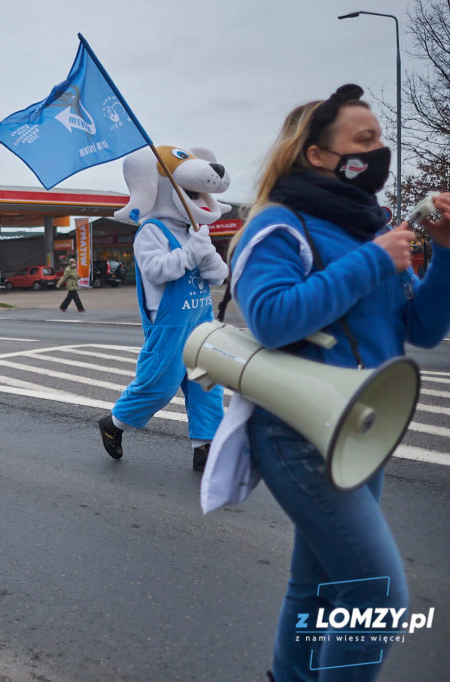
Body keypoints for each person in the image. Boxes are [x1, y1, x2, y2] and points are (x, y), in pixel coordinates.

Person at [227, 84, 450, 681]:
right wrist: (376, 259)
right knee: (378, 599)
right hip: (298, 431)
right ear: (319, 156)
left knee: (319, 587)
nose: (379, 152)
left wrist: (446, 254)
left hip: (361, 423)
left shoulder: (365, 226)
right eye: (365, 140)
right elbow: (272, 319)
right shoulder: (278, 224)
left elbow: (421, 330)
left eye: (380, 140)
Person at [96, 145, 230, 471]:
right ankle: (114, 424)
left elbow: (217, 276)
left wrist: (209, 257)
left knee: (207, 386)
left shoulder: (192, 231)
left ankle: (205, 447)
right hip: (169, 323)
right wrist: (190, 254)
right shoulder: (150, 231)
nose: (196, 199)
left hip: (201, 319)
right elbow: (155, 270)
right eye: (188, 192)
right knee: (159, 385)